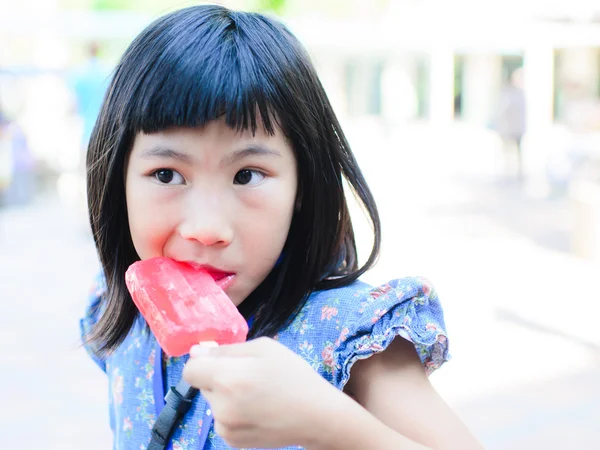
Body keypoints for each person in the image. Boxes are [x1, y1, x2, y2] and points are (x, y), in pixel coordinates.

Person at [81, 5, 483, 450]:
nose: (206, 228)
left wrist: (325, 423)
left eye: (247, 175)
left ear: (303, 187)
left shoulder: (347, 336)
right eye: (166, 175)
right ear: (117, 178)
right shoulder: (120, 313)